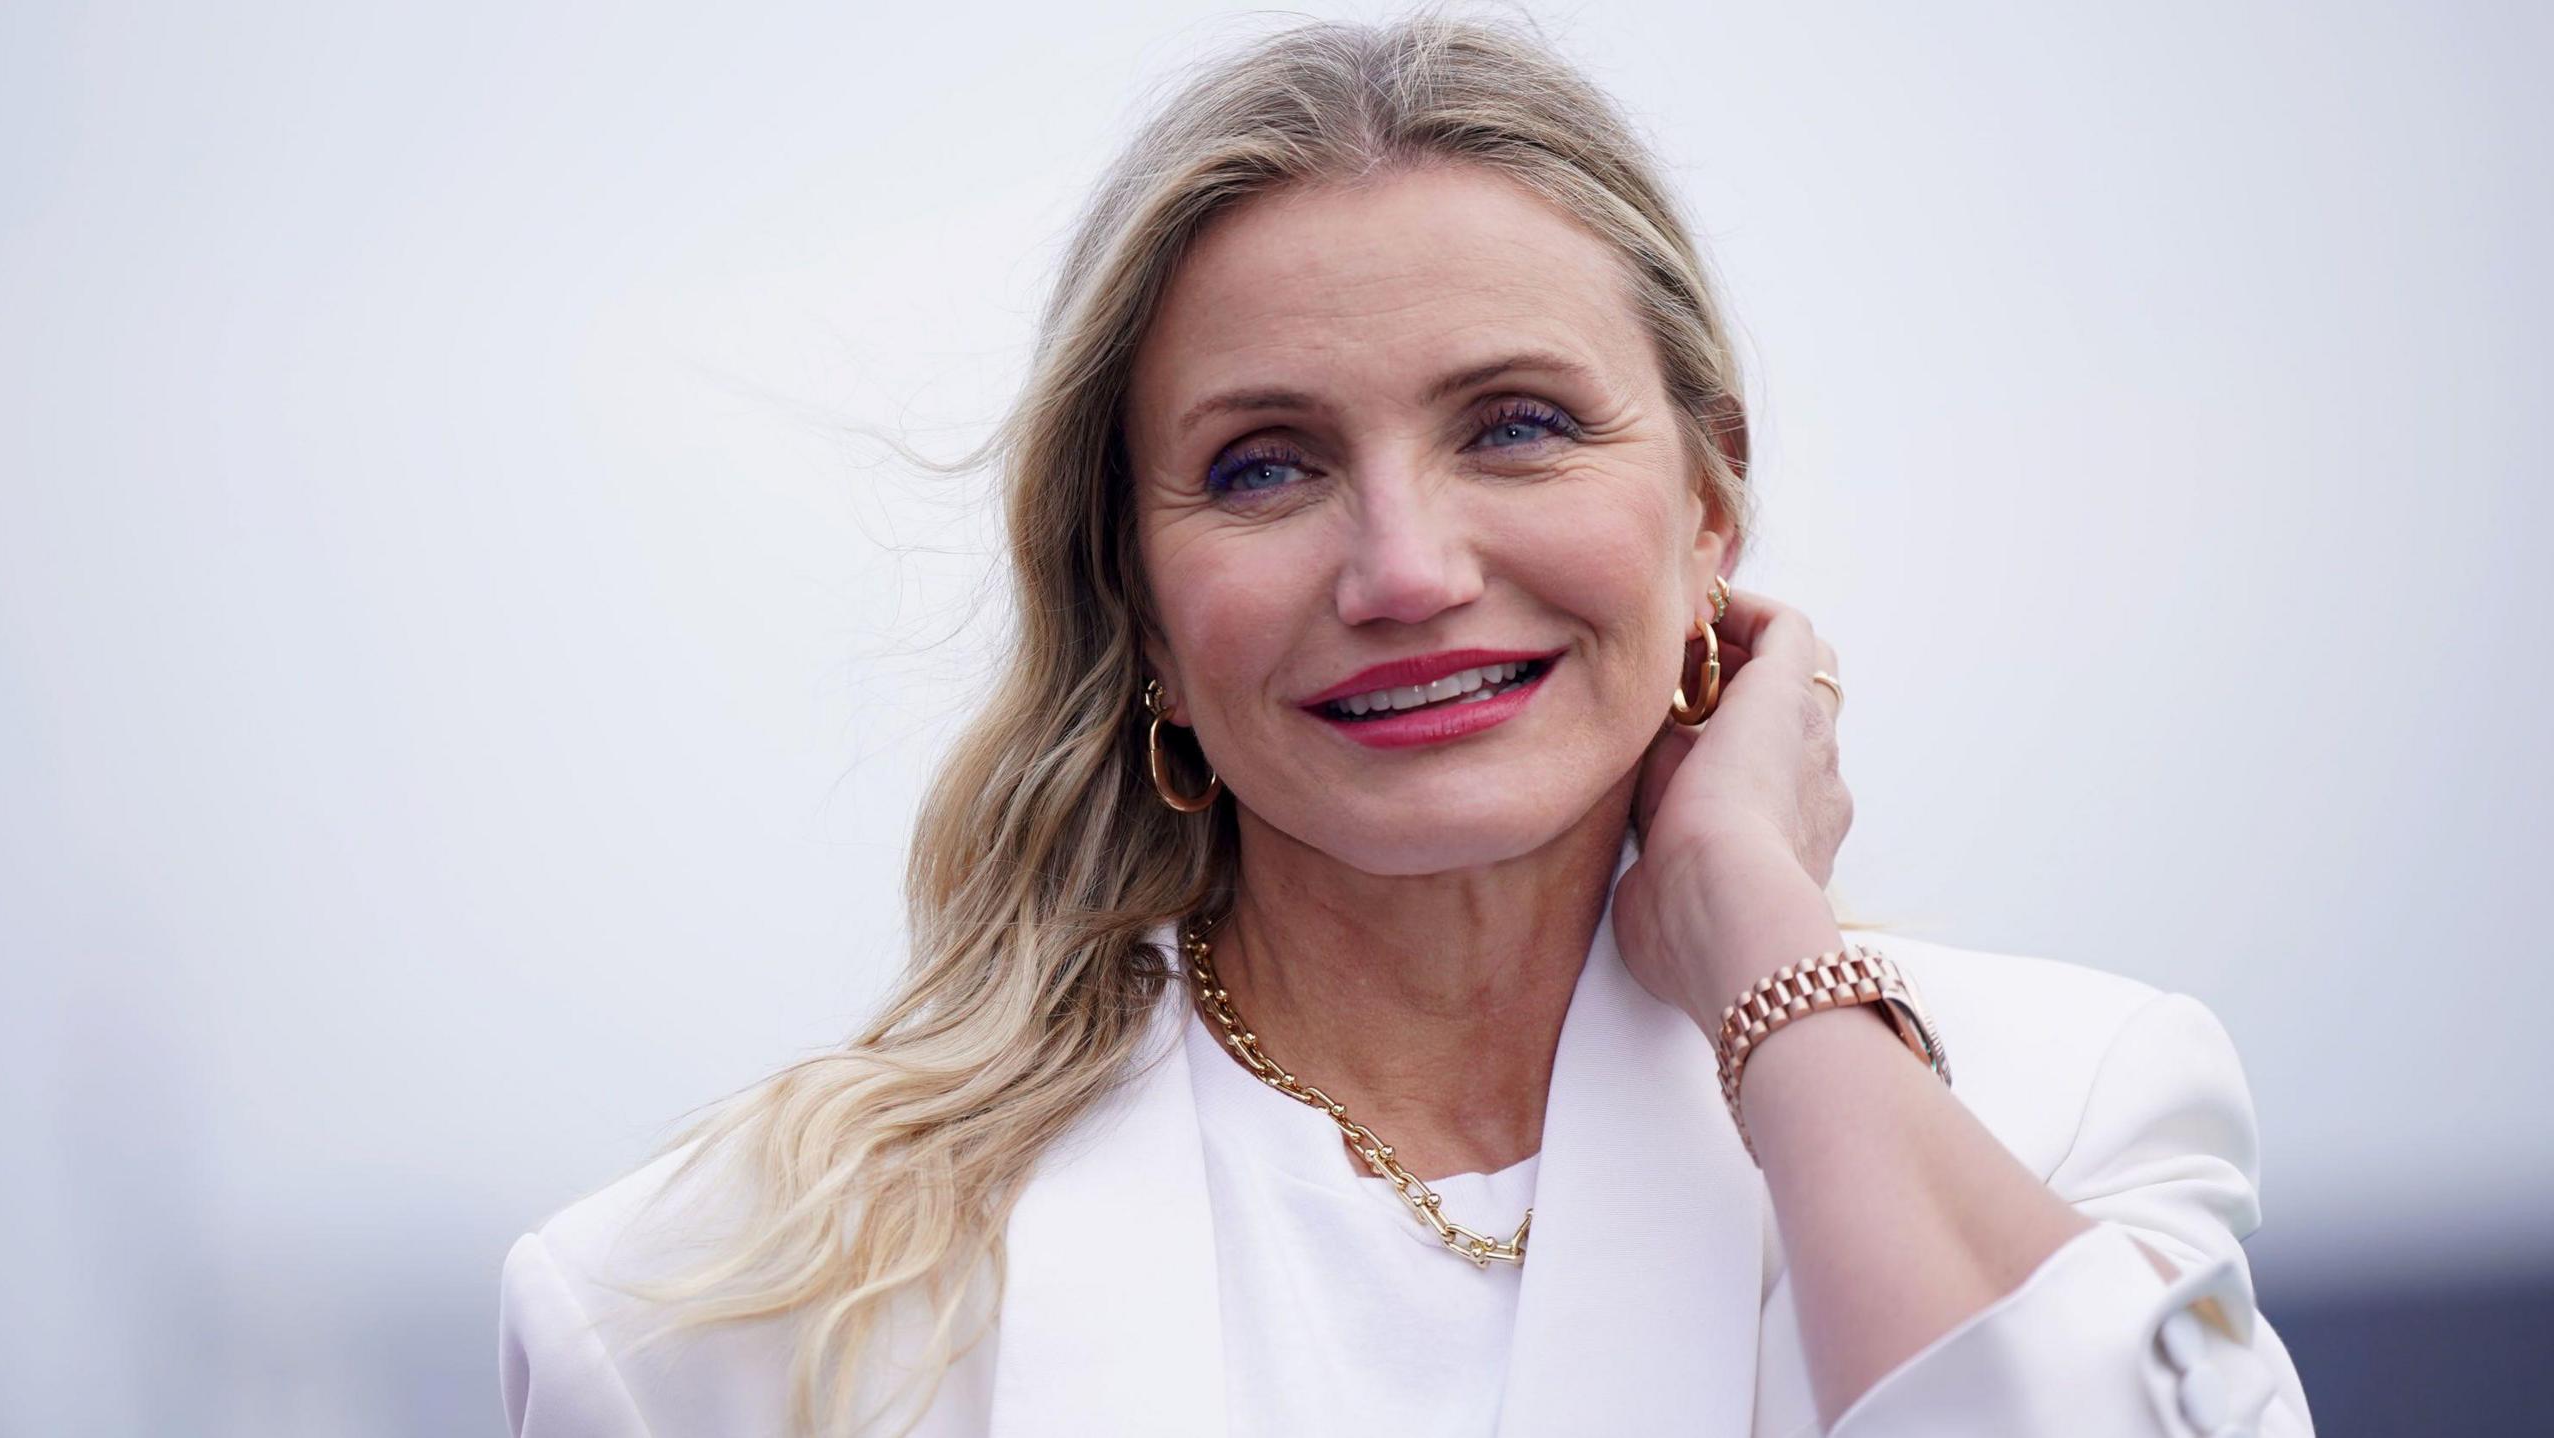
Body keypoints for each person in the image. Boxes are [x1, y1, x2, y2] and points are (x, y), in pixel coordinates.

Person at [497, 14, 2316, 1437]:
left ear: (1705, 507)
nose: (1404, 565)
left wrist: (1759, 934)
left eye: (1515, 422)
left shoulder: (2062, 1103)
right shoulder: (724, 1306)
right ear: (1132, 590)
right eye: (1264, 464)